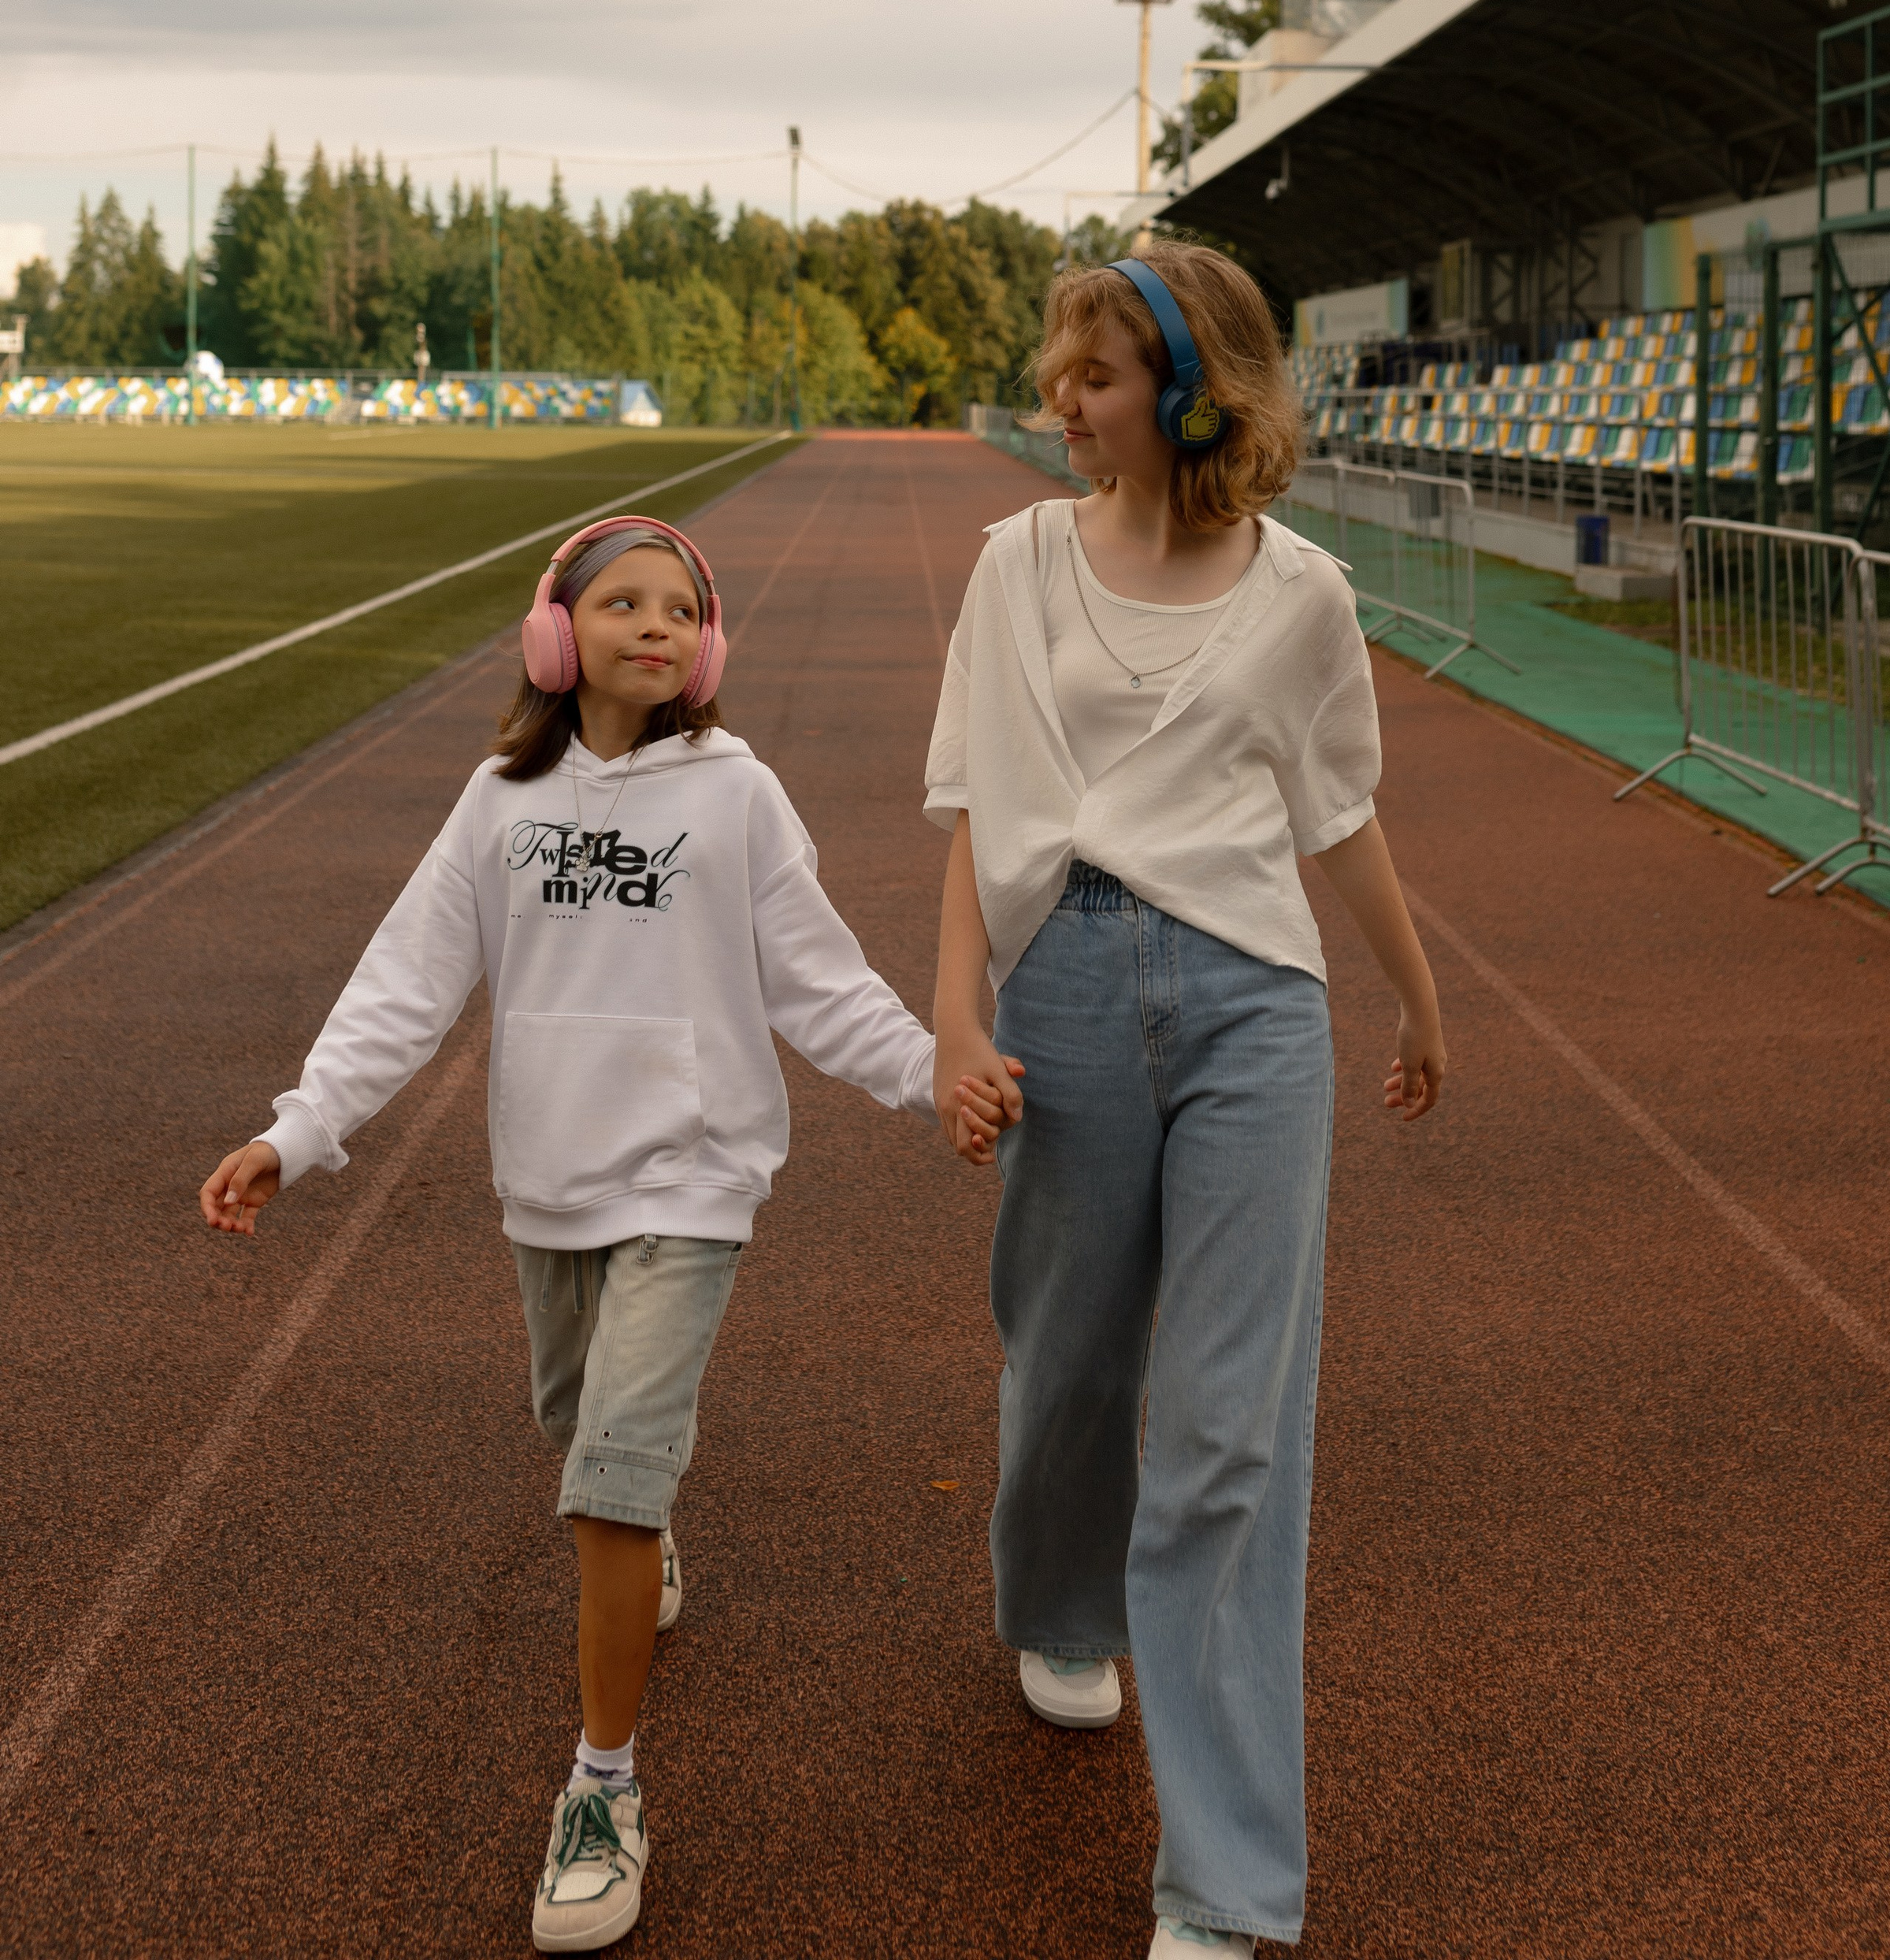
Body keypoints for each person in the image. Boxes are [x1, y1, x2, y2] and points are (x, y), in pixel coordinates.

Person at [199, 515, 940, 1953]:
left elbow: (820, 980)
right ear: (557, 633)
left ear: (708, 645)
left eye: (680, 608)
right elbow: (406, 980)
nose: (653, 626)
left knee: (607, 1482)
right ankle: (640, 1526)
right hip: (550, 1183)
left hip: (694, 1177)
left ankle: (603, 1788)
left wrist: (935, 1078)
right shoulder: (498, 800)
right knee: (576, 1422)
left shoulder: (737, 796)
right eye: (621, 602)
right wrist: (297, 1131)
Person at [926, 244, 1447, 1959]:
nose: (1058, 401)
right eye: (1056, 373)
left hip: (1253, 1005)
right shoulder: (1010, 567)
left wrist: (1410, 987)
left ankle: (1219, 1890)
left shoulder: (1300, 591)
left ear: (1184, 386)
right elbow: (965, 803)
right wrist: (953, 1017)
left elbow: (1336, 808)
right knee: (1065, 1359)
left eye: (1089, 375)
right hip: (1062, 986)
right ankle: (1059, 1601)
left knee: (1229, 1434)